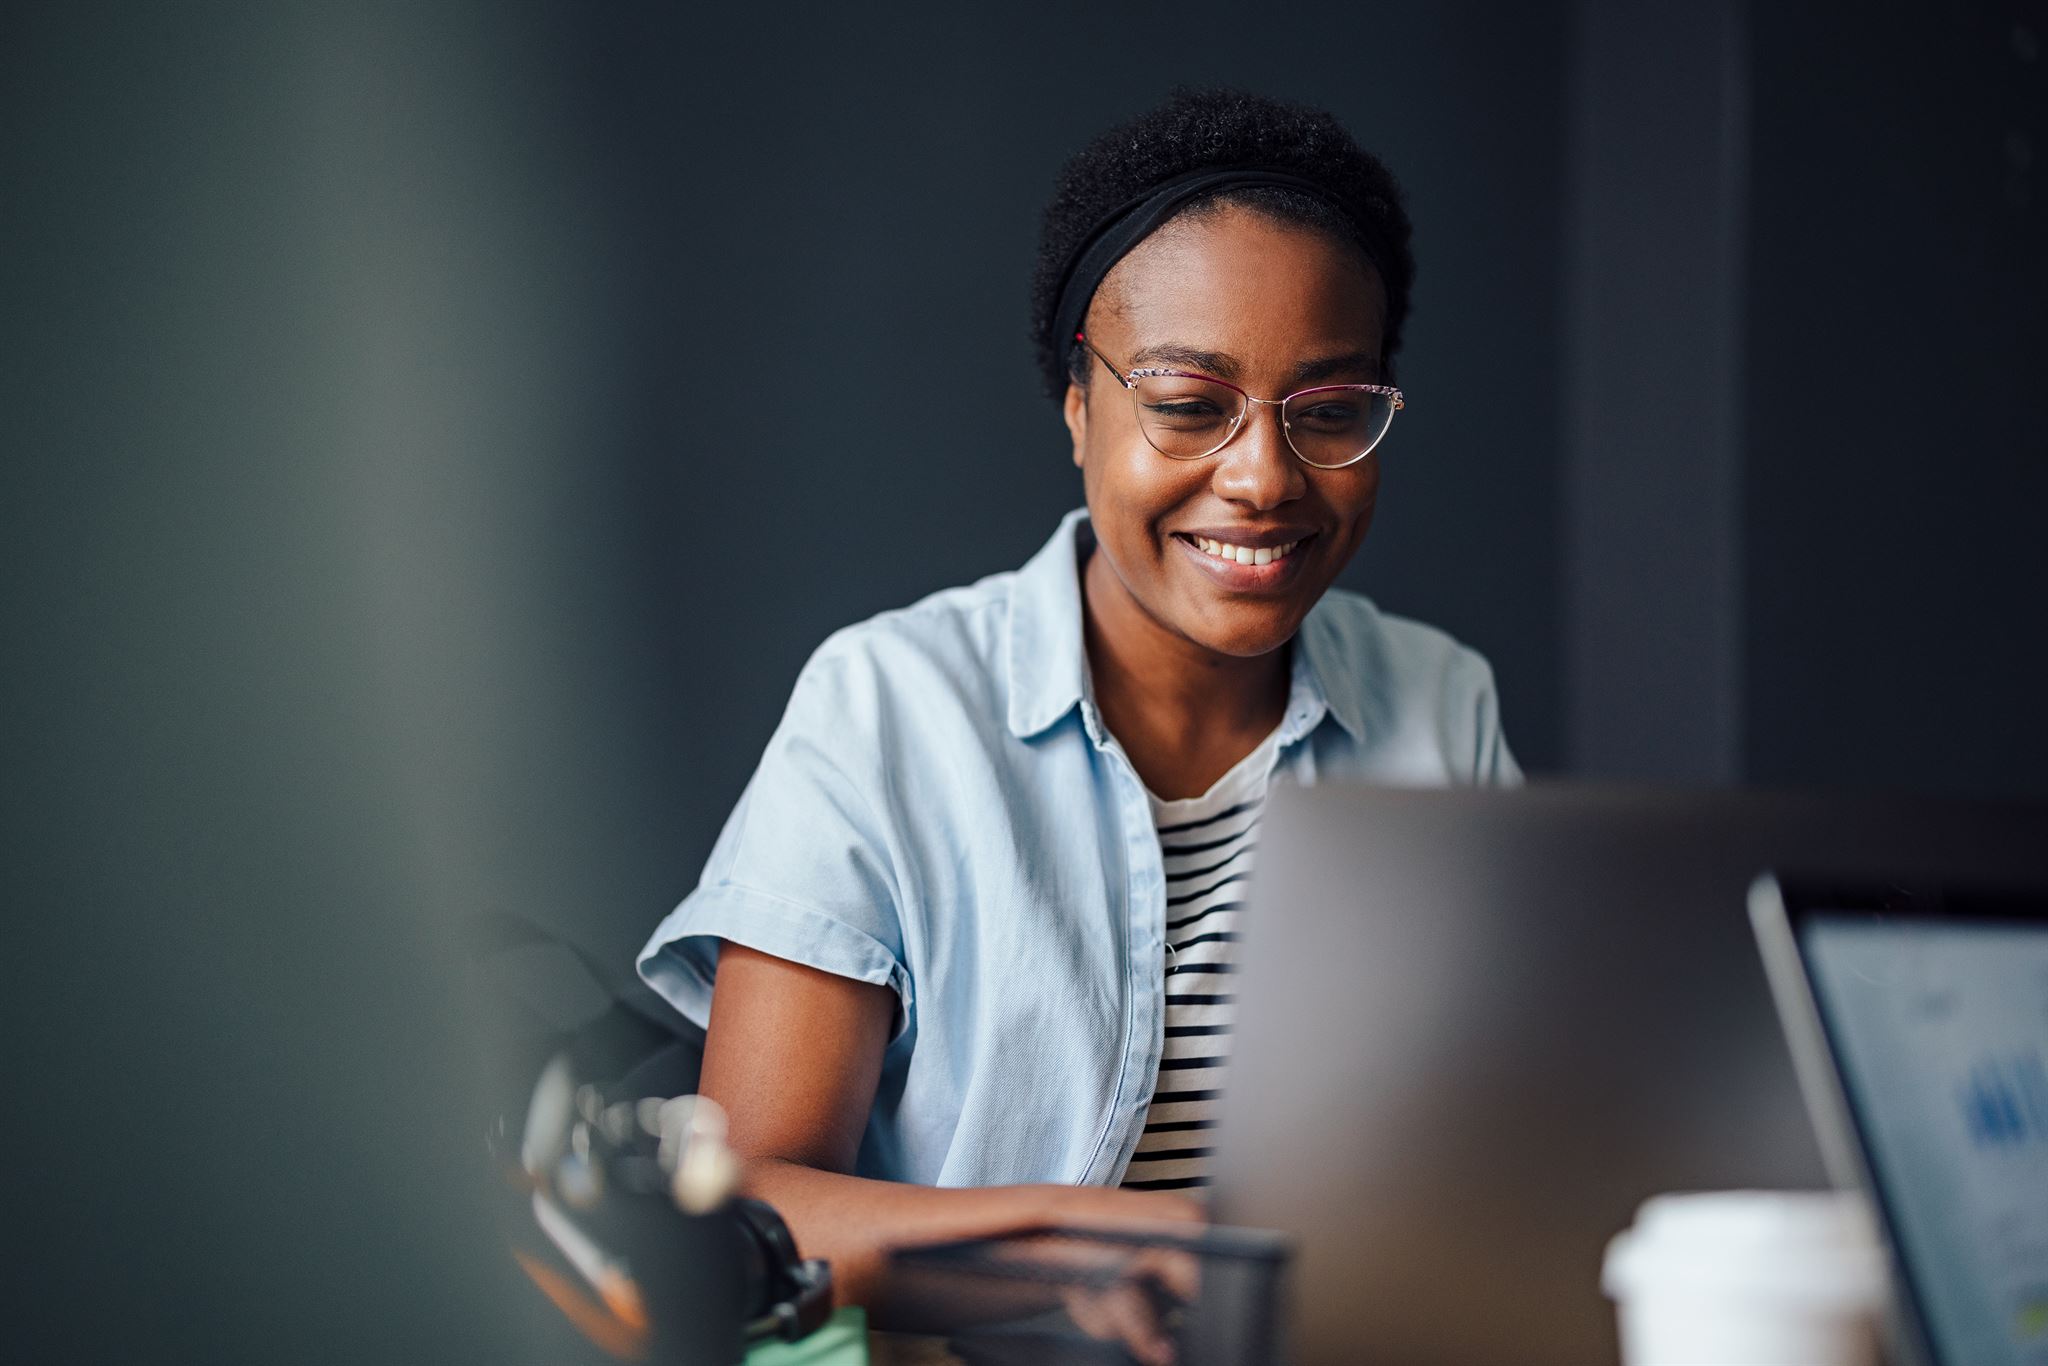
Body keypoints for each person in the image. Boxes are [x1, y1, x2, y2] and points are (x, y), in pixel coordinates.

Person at [637, 88, 1520, 1328]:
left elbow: (1508, 1144)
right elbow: (740, 1204)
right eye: (1183, 404)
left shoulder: (1439, 702)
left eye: (1327, 413)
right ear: (1077, 408)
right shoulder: (891, 707)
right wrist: (1072, 1243)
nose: (1263, 477)